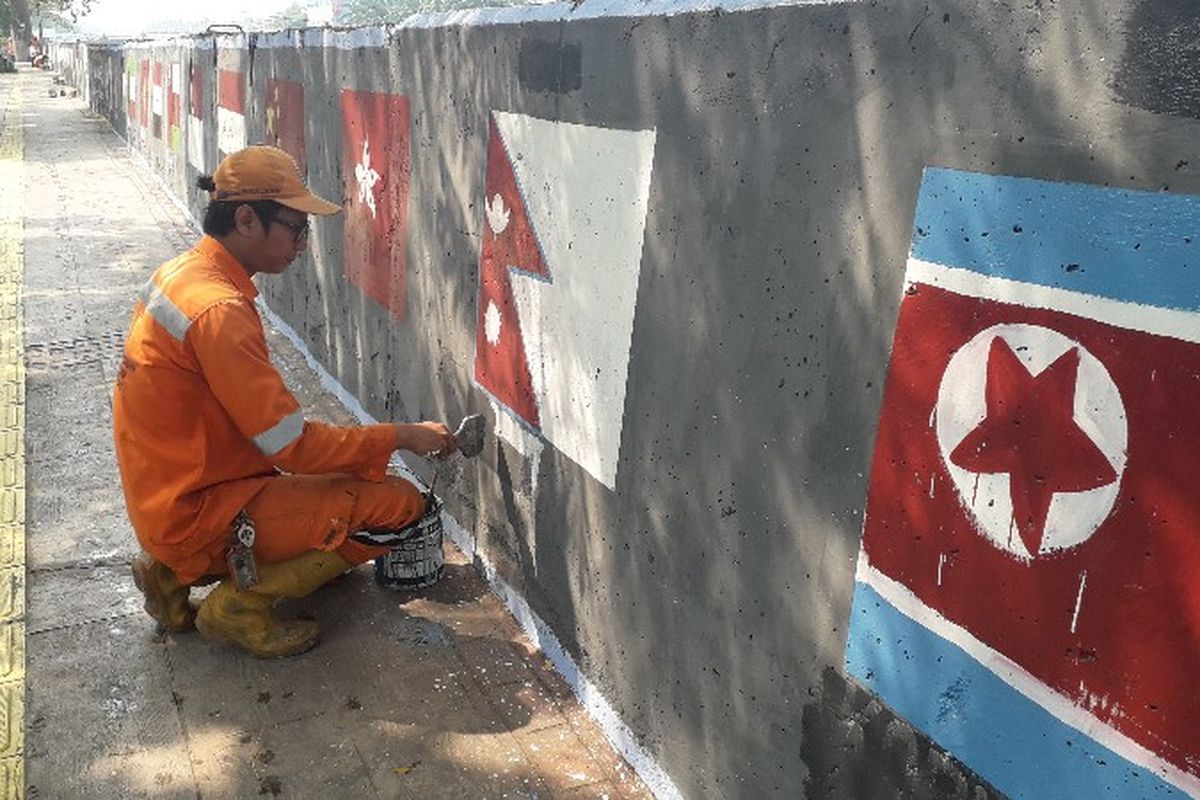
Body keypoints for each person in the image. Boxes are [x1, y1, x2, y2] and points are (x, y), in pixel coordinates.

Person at [113, 144, 456, 658]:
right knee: (397, 504)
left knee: (339, 485)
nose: (301, 245)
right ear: (247, 220)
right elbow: (291, 447)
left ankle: (167, 573)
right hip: (200, 512)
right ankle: (239, 604)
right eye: (296, 229)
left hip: (168, 499)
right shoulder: (219, 311)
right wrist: (402, 436)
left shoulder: (185, 273)